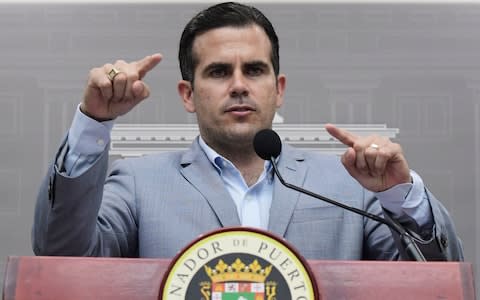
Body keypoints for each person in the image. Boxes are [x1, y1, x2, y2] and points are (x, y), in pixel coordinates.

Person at [33, 1, 463, 261]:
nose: (238, 84)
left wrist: (399, 197)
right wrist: (93, 123)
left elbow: (434, 280)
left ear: (278, 90)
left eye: (254, 70)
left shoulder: (347, 187)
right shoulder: (138, 185)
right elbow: (61, 257)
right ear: (187, 94)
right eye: (219, 71)